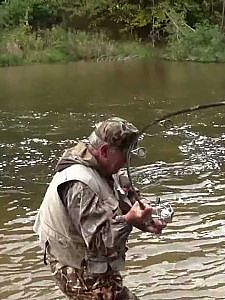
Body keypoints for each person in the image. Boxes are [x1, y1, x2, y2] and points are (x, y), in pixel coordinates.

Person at [33, 117, 166, 300]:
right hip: (76, 269)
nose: (127, 163)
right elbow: (100, 244)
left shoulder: (101, 164)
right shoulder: (80, 185)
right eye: (125, 156)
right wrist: (130, 220)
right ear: (104, 151)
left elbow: (123, 195)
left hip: (88, 259)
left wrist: (145, 220)